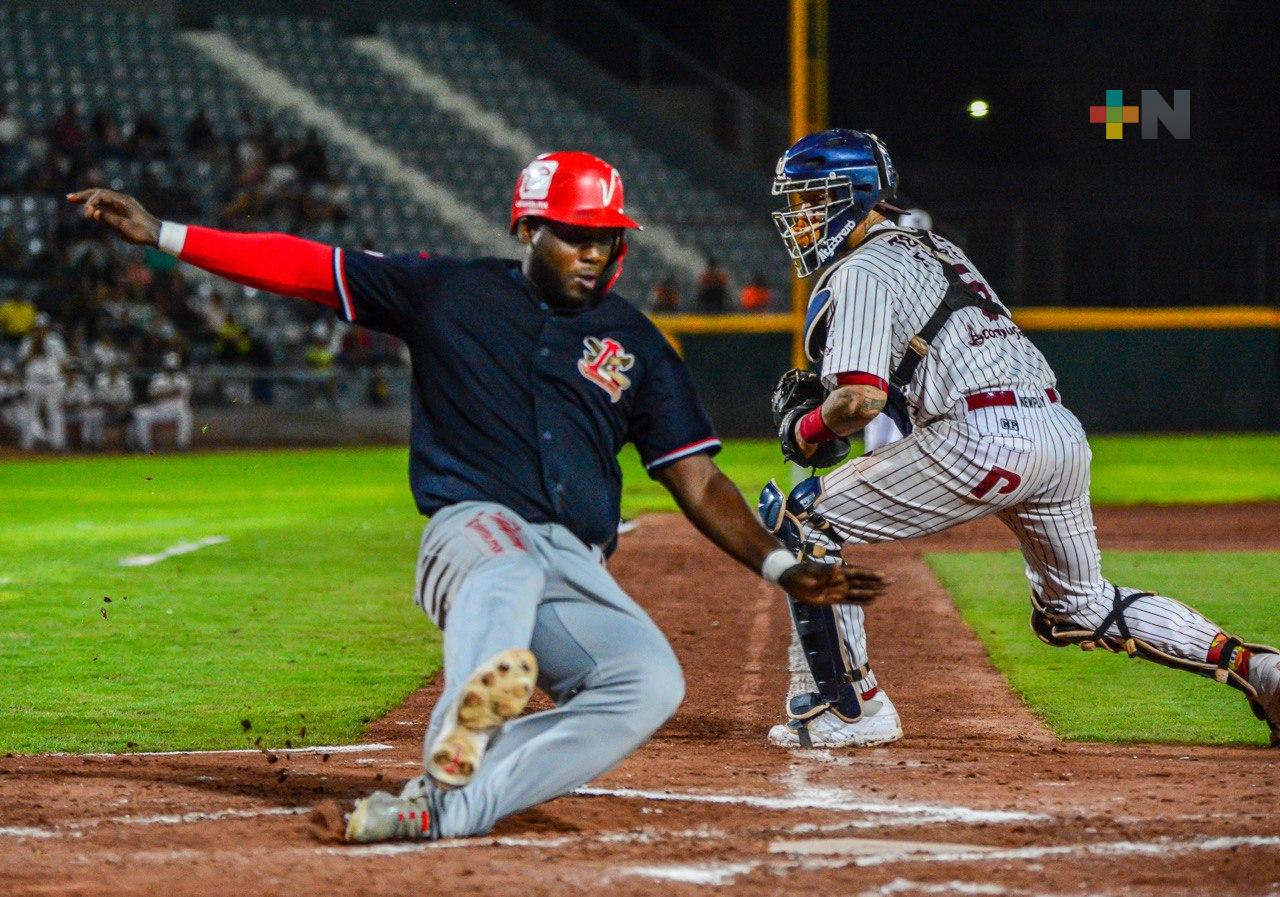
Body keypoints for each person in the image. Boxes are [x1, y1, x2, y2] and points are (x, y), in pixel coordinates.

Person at [68, 150, 885, 843]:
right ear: (527, 229)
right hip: (472, 532)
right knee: (506, 567)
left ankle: (444, 809)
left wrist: (781, 565)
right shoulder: (447, 292)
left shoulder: (636, 342)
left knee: (647, 680)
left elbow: (697, 477)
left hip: (572, 558)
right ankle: (467, 716)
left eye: (607, 238)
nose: (595, 253)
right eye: (575, 236)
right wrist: (166, 235)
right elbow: (304, 266)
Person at [763, 128, 1280, 750]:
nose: (800, 216)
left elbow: (860, 399)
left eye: (811, 200)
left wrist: (805, 426)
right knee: (1081, 606)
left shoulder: (861, 270)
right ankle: (1261, 670)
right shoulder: (938, 249)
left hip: (981, 436)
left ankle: (848, 708)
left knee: (805, 520)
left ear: (854, 194)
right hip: (1057, 432)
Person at [131, 351, 193, 452]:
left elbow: (180, 393)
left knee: (186, 414)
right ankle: (145, 446)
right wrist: (170, 393)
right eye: (169, 368)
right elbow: (153, 396)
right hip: (158, 410)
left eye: (174, 368)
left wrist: (163, 394)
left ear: (178, 366)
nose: (172, 370)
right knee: (139, 413)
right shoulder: (158, 378)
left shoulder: (183, 379)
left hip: (177, 410)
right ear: (165, 366)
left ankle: (182, 445)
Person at [63, 362, 104, 450]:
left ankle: (86, 442)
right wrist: (65, 406)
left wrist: (75, 405)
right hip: (64, 413)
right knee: (56, 416)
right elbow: (55, 401)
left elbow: (86, 401)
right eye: (69, 372)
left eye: (73, 372)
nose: (71, 374)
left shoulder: (81, 385)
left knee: (89, 415)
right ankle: (61, 444)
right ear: (65, 373)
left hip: (77, 411)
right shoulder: (59, 385)